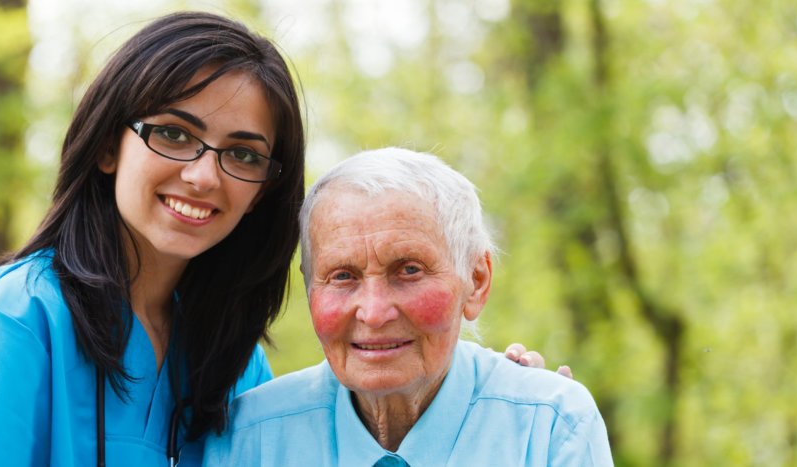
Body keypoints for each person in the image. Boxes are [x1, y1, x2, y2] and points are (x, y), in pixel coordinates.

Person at [0, 12, 556, 467]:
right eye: (172, 133)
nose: (202, 175)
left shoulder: (229, 354)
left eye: (243, 154)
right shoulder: (19, 319)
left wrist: (480, 398)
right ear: (109, 143)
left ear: (263, 191)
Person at [203, 147, 613, 466]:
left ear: (476, 281)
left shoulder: (551, 426)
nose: (374, 312)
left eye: (409, 270)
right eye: (343, 276)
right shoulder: (251, 436)